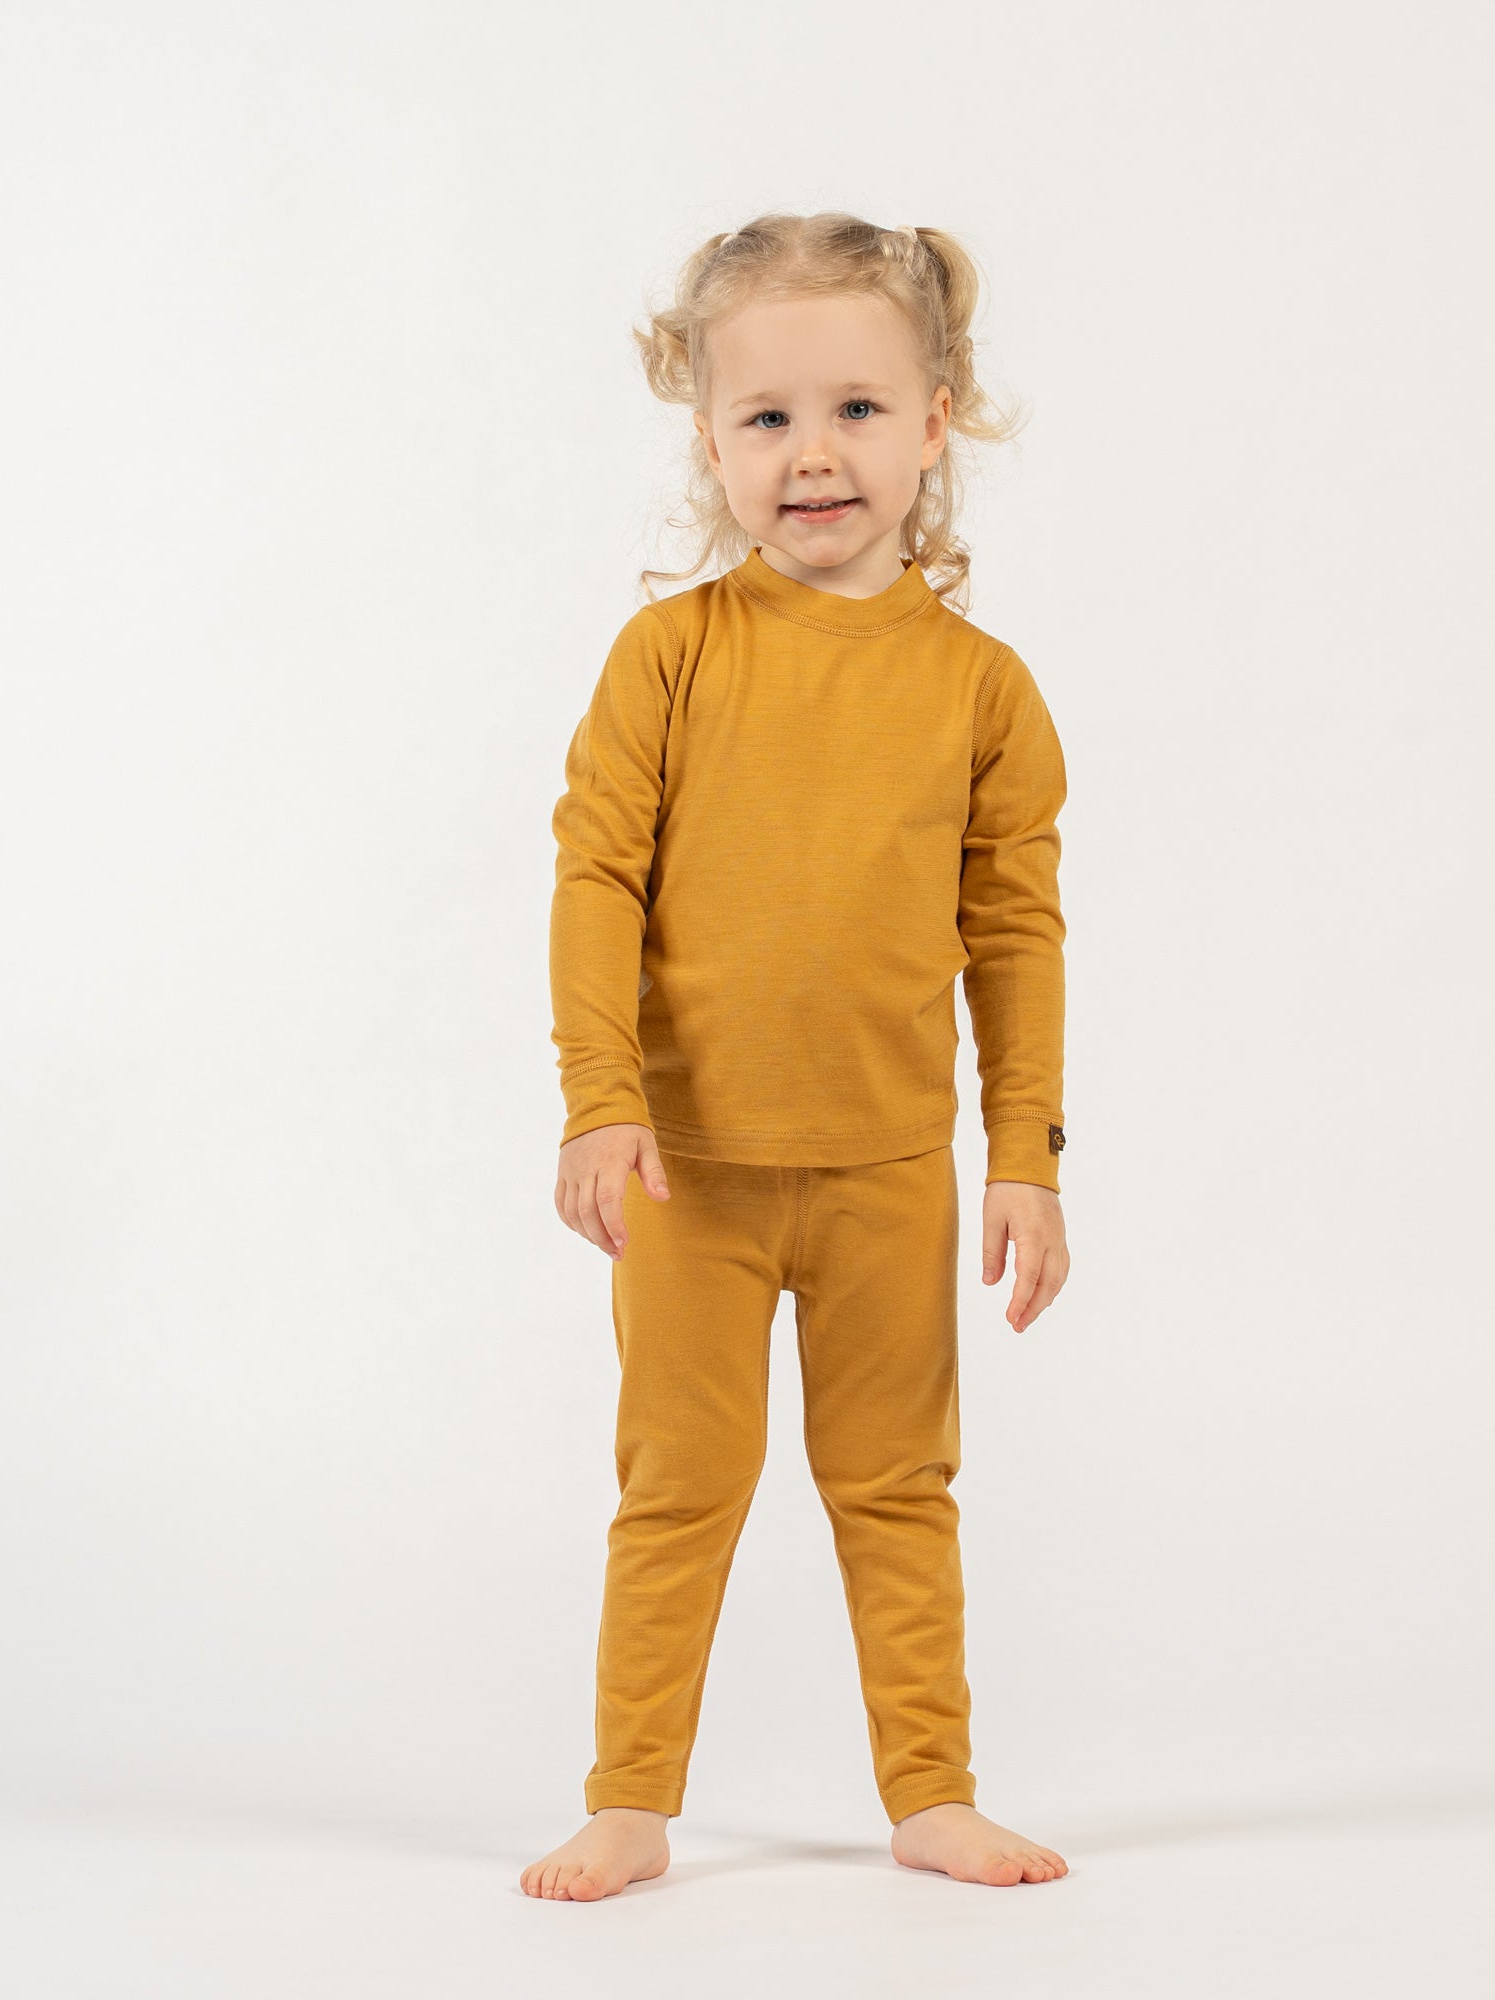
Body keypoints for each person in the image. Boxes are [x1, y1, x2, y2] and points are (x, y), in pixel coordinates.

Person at [520, 212, 1073, 1901]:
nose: (812, 454)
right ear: (709, 440)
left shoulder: (983, 690)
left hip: (888, 1171)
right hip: (687, 1174)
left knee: (898, 1486)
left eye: (855, 410)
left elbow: (1016, 937)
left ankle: (930, 1789)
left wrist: (1027, 1158)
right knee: (677, 1487)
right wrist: (600, 1103)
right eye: (766, 418)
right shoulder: (673, 658)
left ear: (937, 416)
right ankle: (630, 1794)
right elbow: (595, 874)